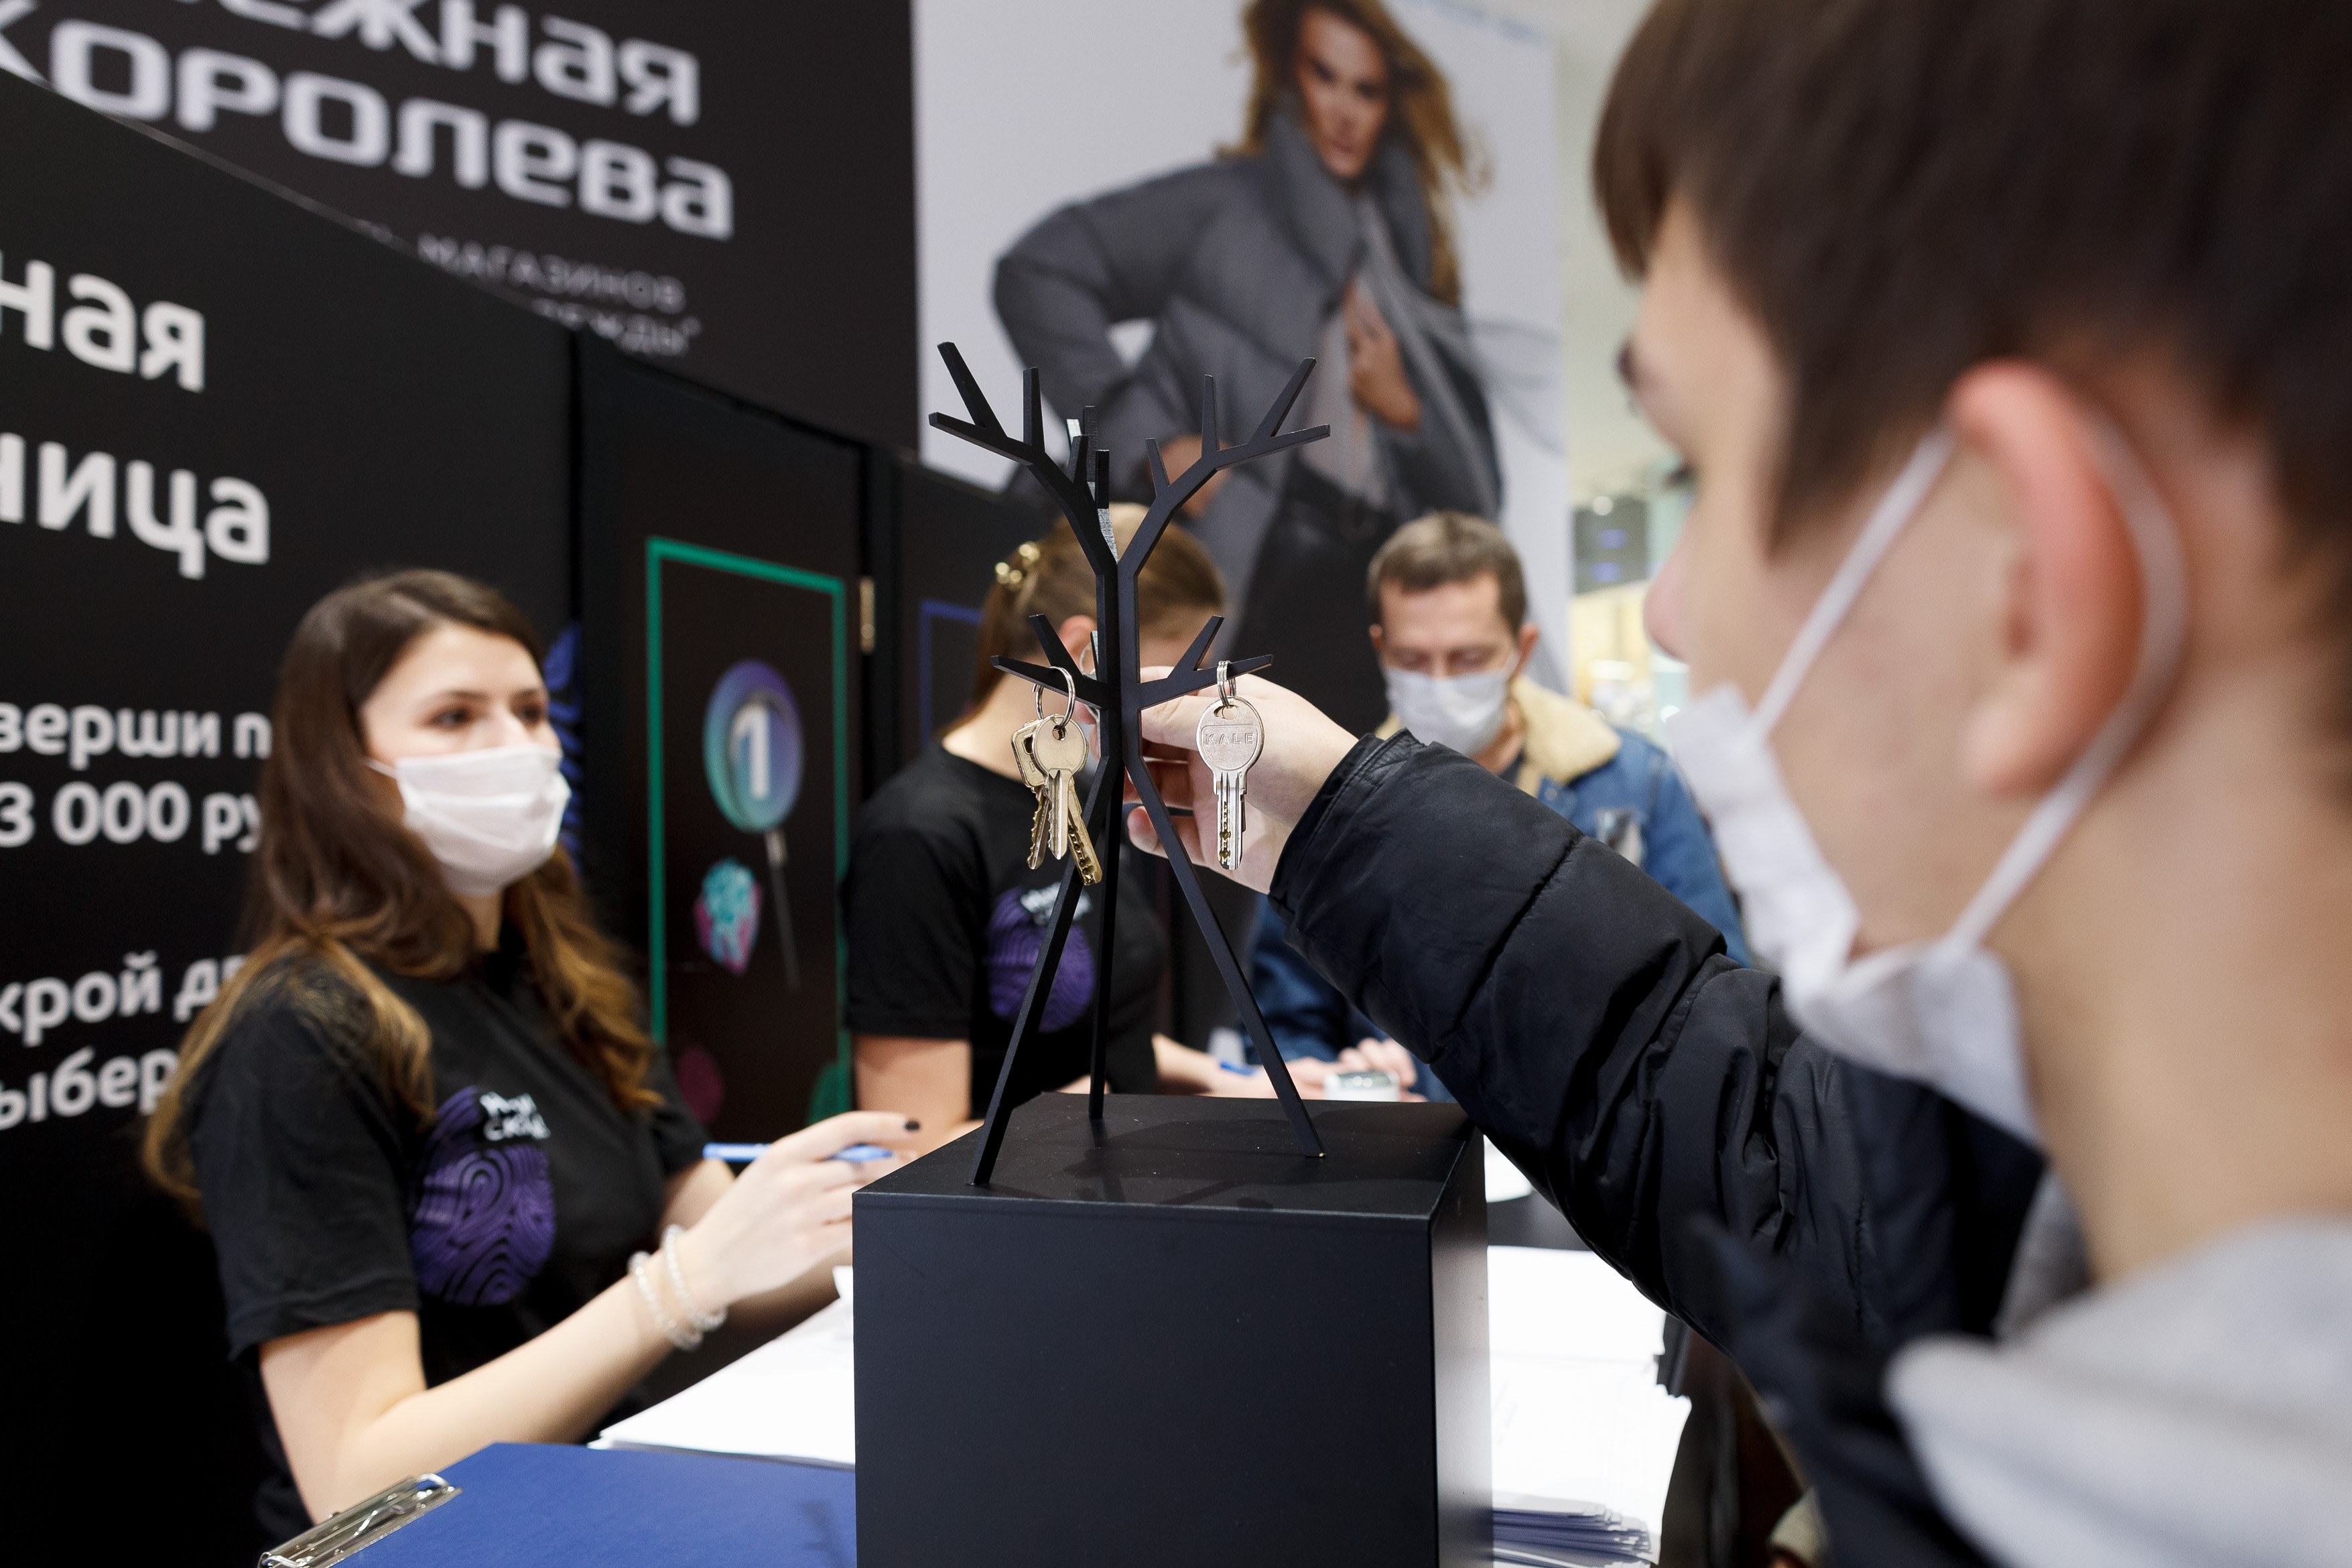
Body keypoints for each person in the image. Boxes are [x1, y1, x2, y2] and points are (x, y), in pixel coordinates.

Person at [1128, 0, 2352, 1561]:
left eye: (1698, 469)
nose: (1673, 609)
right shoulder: (2058, 1166)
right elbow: (1775, 1149)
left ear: (2031, 587)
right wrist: (1342, 824)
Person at [143, 572, 918, 1539]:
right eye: (454, 716)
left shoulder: (566, 982)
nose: (514, 745)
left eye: (530, 710)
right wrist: (674, 1292)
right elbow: (358, 1479)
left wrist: (925, 1210)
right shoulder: (302, 1031)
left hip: (608, 1501)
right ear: (342, 763)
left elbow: (723, 1236)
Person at [994, 0, 1498, 733]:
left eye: (1366, 90)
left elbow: (1480, 493)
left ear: (1392, 104)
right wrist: (1151, 442)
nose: (1344, 111)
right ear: (1290, 77)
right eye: (1325, 76)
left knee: (1334, 796)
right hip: (1243, 568)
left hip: (1360, 597)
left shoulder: (1418, 268)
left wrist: (1406, 412)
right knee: (1191, 780)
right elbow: (1039, 271)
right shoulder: (1229, 204)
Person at [845, 511, 1319, 1161]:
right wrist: (1091, 1120)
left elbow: (1107, 1038)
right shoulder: (917, 839)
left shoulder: (1087, 789)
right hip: (1020, 1214)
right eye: (1175, 676)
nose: (1189, 707)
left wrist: (1239, 1082)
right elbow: (910, 1144)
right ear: (1082, 652)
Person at [1252, 513, 1748, 1088]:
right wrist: (1346, 1081)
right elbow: (1286, 1023)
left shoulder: (1633, 784)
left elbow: (1720, 994)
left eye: (1468, 659)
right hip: (1412, 1132)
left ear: (1522, 648)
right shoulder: (1330, 809)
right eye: (1413, 660)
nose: (1440, 684)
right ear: (1380, 647)